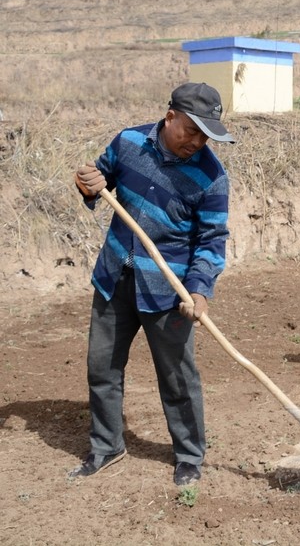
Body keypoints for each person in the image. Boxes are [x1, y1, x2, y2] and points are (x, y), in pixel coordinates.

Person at [70, 82, 234, 487]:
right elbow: (98, 181)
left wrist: (198, 290)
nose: (196, 142)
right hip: (113, 278)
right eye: (190, 131)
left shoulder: (211, 177)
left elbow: (212, 241)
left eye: (205, 135)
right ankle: (107, 447)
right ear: (170, 117)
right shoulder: (128, 142)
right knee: (102, 368)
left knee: (178, 378)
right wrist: (87, 183)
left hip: (167, 291)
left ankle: (189, 456)